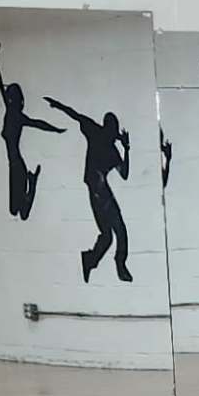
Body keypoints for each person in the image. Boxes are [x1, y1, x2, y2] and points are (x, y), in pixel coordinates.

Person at [51, 95, 136, 283]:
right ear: (108, 128)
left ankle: (95, 260)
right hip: (98, 194)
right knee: (112, 233)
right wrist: (58, 105)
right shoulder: (96, 133)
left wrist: (127, 148)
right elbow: (77, 116)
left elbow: (124, 174)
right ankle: (96, 261)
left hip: (102, 193)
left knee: (113, 234)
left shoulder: (111, 146)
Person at [0, 46, 62, 223]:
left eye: (10, 95)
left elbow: (38, 123)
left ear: (14, 98)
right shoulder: (11, 112)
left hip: (17, 166)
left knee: (20, 214)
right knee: (15, 211)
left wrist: (55, 129)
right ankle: (32, 182)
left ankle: (32, 183)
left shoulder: (16, 116)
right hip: (14, 165)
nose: (7, 96)